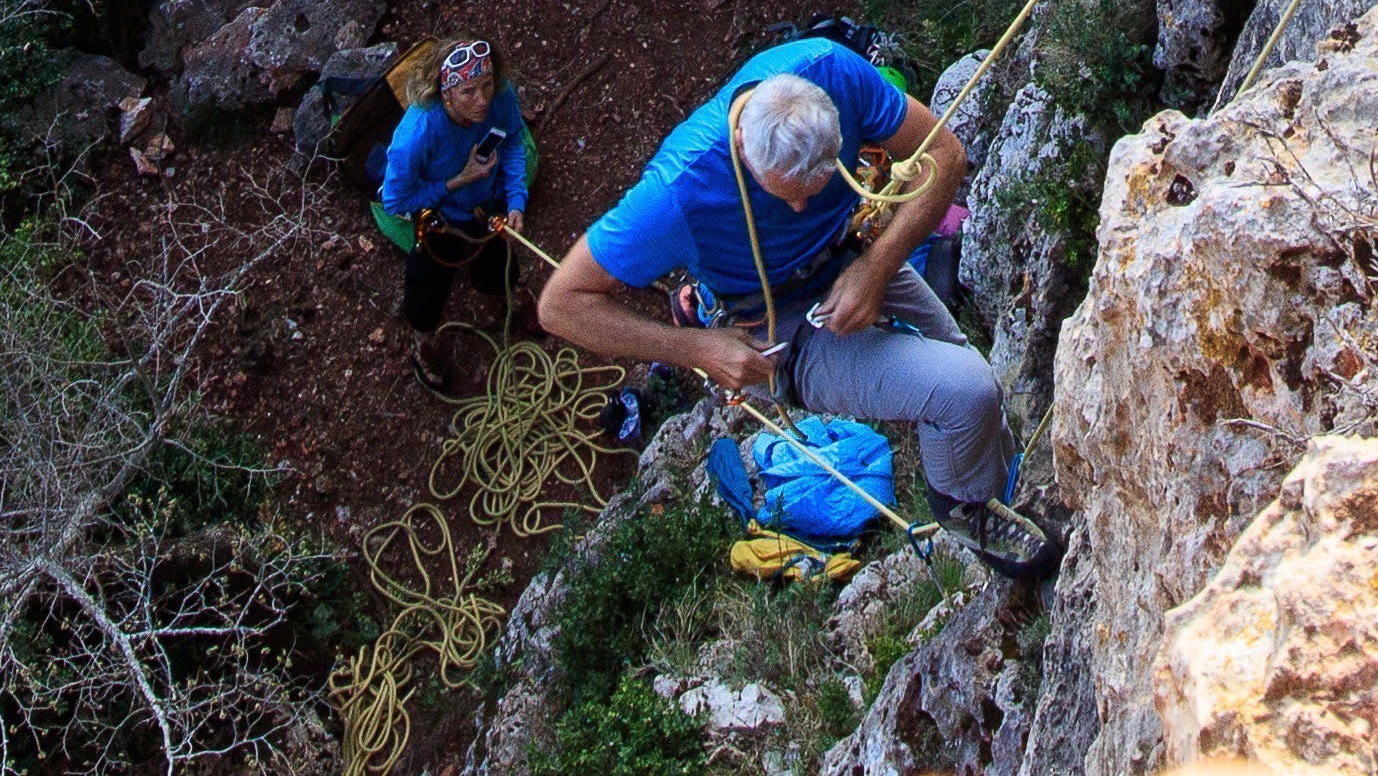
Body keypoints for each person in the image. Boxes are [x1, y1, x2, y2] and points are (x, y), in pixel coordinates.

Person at [536, 29, 1022, 523]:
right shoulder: (677, 193)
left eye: (814, 189)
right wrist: (698, 350)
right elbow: (561, 305)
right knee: (965, 391)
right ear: (741, 143)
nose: (798, 208)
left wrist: (876, 268)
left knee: (967, 372)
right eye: (784, 193)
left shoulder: (833, 72)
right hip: (776, 327)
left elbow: (945, 155)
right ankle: (973, 524)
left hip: (849, 259)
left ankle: (1005, 487)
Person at [368, 34, 540, 382]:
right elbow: (395, 201)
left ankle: (507, 294)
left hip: (487, 204)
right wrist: (457, 181)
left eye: (486, 85)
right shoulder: (416, 135)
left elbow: (512, 143)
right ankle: (424, 342)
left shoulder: (500, 95)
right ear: (446, 93)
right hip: (440, 219)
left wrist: (516, 200)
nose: (482, 100)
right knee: (427, 285)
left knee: (497, 261)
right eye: (468, 92)